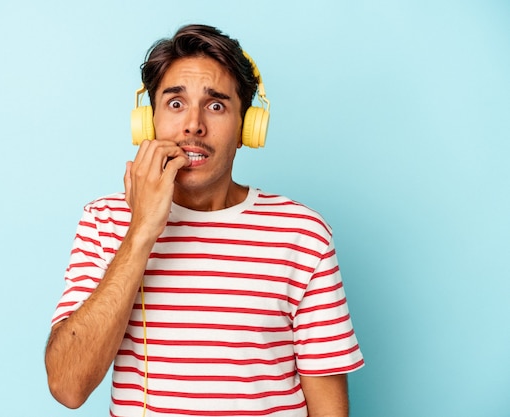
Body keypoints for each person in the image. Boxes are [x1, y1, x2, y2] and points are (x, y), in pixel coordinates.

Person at [45, 24, 364, 417]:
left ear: (247, 127)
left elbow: (330, 410)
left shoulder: (303, 234)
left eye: (216, 105)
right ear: (149, 122)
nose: (193, 125)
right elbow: (67, 386)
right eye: (175, 104)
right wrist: (142, 229)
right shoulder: (105, 221)